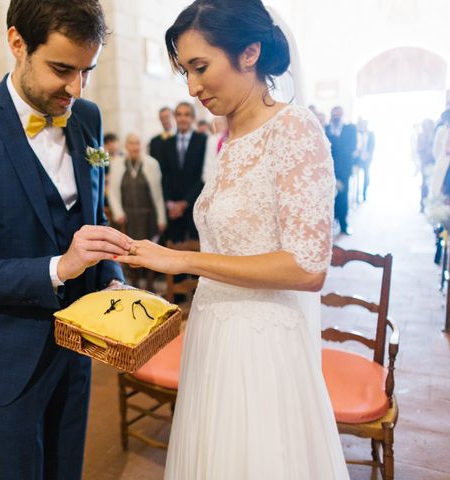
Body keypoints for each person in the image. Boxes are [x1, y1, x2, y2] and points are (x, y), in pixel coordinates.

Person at [117, 0, 349, 477]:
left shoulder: (294, 129)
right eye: (185, 72)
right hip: (214, 331)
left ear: (249, 53)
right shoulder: (229, 142)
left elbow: (307, 268)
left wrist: (185, 262)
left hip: (263, 343)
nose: (193, 87)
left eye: (200, 67)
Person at [0, 1, 128, 478]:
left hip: (78, 344)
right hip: (10, 354)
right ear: (17, 43)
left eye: (88, 71)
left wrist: (112, 277)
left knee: (67, 468)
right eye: (62, 69)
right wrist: (59, 268)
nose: (76, 89)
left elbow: (93, 210)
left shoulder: (87, 118)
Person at [107, 133, 166, 290]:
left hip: (148, 216)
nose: (135, 147)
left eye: (138, 143)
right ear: (126, 146)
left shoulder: (152, 164)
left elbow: (158, 194)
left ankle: (150, 285)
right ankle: (134, 285)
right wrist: (118, 212)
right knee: (130, 253)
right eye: (132, 143)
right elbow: (112, 192)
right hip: (128, 218)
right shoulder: (118, 164)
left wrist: (161, 218)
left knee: (150, 252)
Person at [160, 101, 207, 243]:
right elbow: (164, 175)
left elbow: (203, 176)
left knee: (196, 247)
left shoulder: (203, 140)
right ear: (175, 117)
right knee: (175, 247)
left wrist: (185, 202)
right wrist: (169, 202)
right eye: (179, 115)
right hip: (173, 208)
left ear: (193, 118)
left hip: (195, 203)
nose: (182, 118)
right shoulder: (167, 143)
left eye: (187, 115)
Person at [326, 106, 357, 235]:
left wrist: (334, 141)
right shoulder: (326, 129)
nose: (336, 117)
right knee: (329, 198)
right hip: (328, 170)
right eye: (334, 114)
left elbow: (349, 149)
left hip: (343, 170)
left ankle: (344, 224)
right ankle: (332, 223)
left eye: (338, 115)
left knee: (343, 197)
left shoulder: (350, 129)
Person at [354, 118, 375, 202]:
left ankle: (364, 194)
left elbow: (372, 146)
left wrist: (368, 155)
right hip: (358, 159)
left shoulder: (371, 134)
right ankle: (356, 195)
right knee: (356, 176)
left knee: (366, 176)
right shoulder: (356, 133)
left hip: (367, 159)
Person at [417, 119, 436, 211]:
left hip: (434, 162)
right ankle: (422, 205)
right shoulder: (421, 136)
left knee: (435, 184)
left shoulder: (435, 134)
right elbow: (419, 150)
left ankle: (432, 205)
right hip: (425, 163)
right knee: (424, 184)